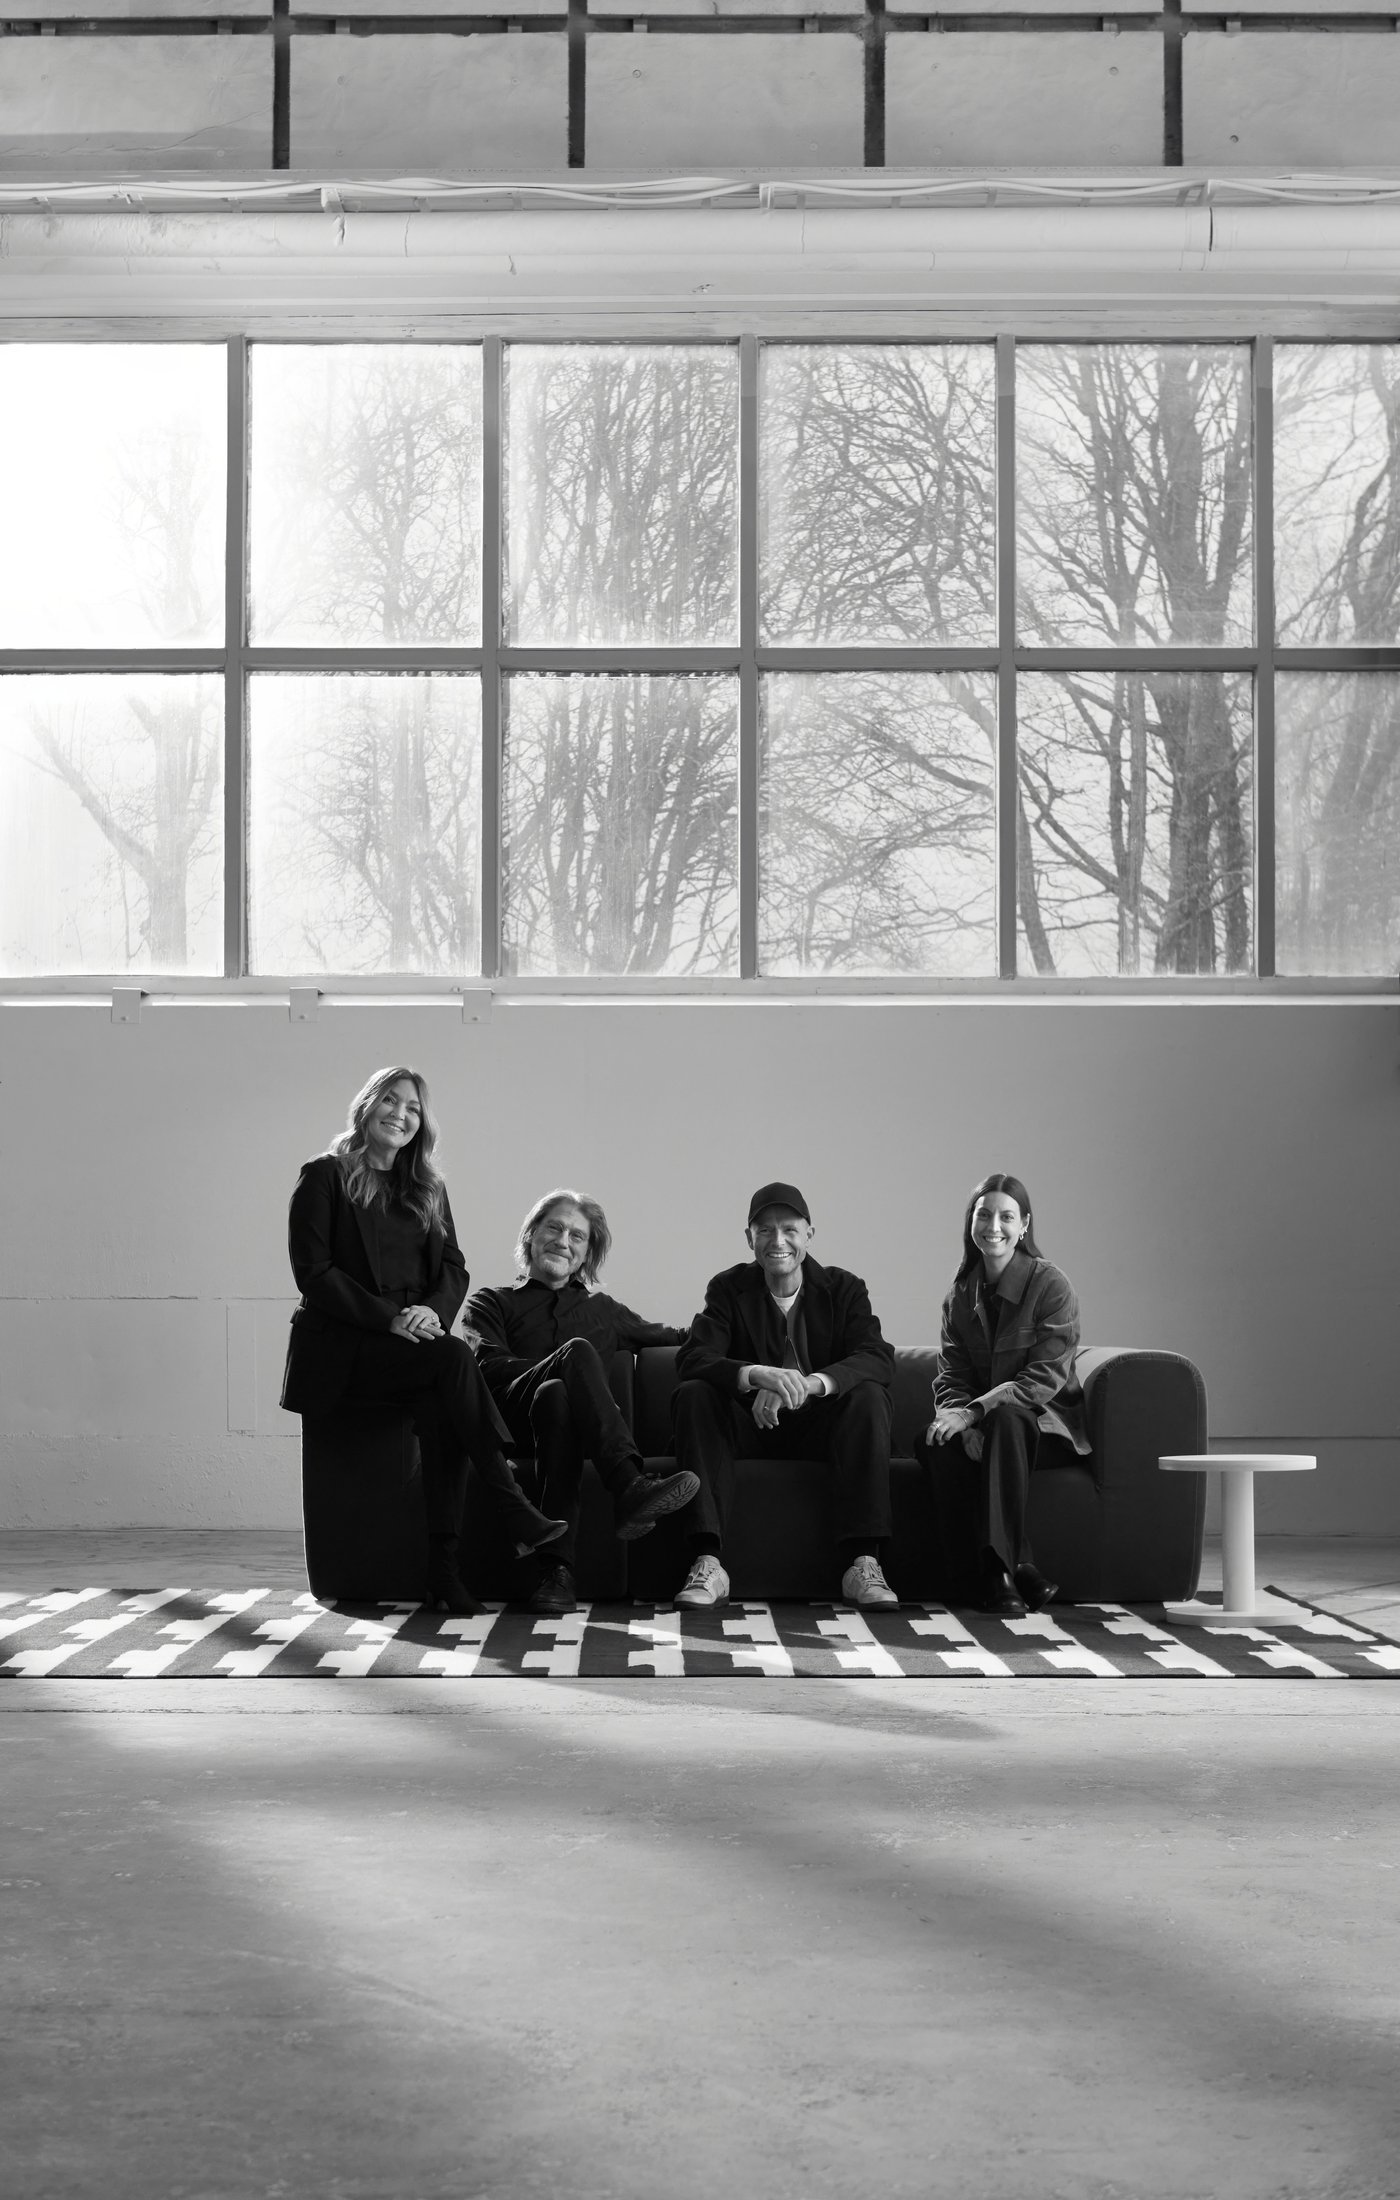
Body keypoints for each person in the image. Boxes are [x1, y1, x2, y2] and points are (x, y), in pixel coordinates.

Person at [280, 1066, 566, 1615]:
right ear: (367, 1107)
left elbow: (454, 1266)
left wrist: (431, 1312)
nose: (400, 1114)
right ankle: (512, 1505)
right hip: (347, 1349)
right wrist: (389, 1318)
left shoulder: (428, 1188)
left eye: (413, 1108)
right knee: (454, 1358)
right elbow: (313, 1272)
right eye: (390, 1101)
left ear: (422, 1123)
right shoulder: (325, 1176)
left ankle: (444, 1572)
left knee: (444, 1408)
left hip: (414, 1348)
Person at [467, 1191, 700, 1614]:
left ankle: (556, 1575)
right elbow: (488, 1366)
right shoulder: (491, 1301)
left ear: (587, 1253)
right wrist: (561, 1366)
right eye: (554, 1228)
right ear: (532, 1235)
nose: (563, 1241)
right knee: (570, 1361)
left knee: (557, 1396)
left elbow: (676, 1337)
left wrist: (744, 1322)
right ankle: (628, 1484)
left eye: (577, 1236)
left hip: (570, 1431)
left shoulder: (604, 1310)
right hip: (511, 1422)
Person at [670, 1182, 898, 1611]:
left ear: (809, 1235)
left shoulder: (844, 1288)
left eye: (789, 1229)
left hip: (821, 1428)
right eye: (765, 1230)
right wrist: (758, 1375)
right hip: (749, 1428)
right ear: (749, 1238)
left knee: (869, 1396)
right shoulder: (727, 1288)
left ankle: (864, 1564)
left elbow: (877, 1357)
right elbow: (693, 1357)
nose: (778, 1241)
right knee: (694, 1394)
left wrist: (806, 1383)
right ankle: (708, 1563)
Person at [914, 1171, 1089, 1618]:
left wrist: (974, 1415)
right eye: (984, 1215)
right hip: (988, 1429)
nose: (994, 1226)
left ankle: (997, 1571)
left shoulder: (1051, 1285)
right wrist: (961, 1424)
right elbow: (951, 1377)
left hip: (1047, 1430)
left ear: (1024, 1225)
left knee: (1009, 1420)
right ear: (971, 1222)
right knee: (933, 1441)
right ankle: (1018, 1569)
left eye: (1007, 1217)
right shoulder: (959, 1296)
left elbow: (1041, 1380)